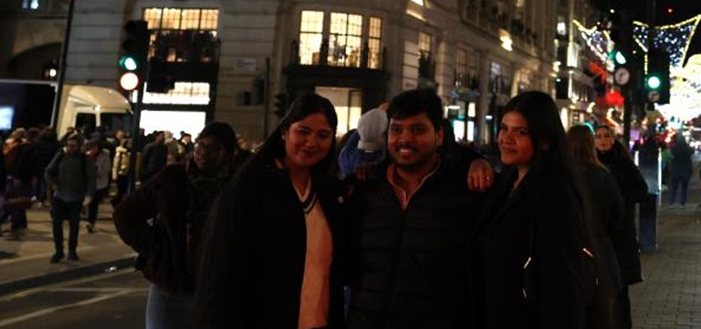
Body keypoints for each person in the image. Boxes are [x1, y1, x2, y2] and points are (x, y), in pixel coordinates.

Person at [344, 89, 492, 329]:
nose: (405, 138)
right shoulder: (365, 189)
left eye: (418, 129)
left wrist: (476, 160)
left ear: (439, 136)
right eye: (397, 129)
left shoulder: (465, 194)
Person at [196, 94, 345, 329]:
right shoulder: (249, 189)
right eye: (303, 131)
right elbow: (221, 274)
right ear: (285, 131)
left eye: (323, 135)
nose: (312, 142)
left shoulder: (328, 195)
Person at [474, 91, 612, 329]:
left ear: (544, 141)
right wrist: (474, 162)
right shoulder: (507, 184)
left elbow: (561, 288)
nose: (506, 139)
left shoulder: (553, 196)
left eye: (520, 132)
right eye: (504, 128)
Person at [115, 122, 239, 329]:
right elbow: (125, 214)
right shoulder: (174, 178)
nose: (202, 153)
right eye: (200, 145)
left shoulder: (236, 186)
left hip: (216, 290)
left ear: (226, 153)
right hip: (172, 287)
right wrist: (158, 247)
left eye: (212, 147)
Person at [566, 126, 625, 328]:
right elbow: (618, 217)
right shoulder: (602, 176)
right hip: (598, 253)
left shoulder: (558, 175)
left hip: (565, 254)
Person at [594, 125, 646, 328]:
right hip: (601, 233)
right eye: (598, 137)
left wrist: (620, 202)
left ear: (613, 140)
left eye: (606, 136)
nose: (603, 140)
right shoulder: (591, 165)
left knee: (620, 288)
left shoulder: (623, 164)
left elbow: (641, 190)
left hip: (621, 234)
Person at [44, 134, 96, 262]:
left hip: (76, 197)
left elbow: (91, 179)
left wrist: (89, 196)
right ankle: (59, 251)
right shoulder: (60, 156)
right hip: (59, 196)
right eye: (68, 145)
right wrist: (52, 183)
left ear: (79, 146)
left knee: (74, 226)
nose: (70, 148)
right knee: (57, 225)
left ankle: (72, 251)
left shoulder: (85, 160)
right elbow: (48, 171)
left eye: (73, 146)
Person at [85, 139, 112, 232]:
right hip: (88, 183)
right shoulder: (87, 155)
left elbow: (106, 169)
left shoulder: (105, 155)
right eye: (92, 147)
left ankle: (90, 222)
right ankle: (88, 218)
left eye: (95, 147)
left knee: (93, 204)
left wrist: (97, 171)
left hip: (99, 183)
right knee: (87, 202)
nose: (93, 149)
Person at [667, 135, 694, 208]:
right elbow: (692, 151)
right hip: (685, 170)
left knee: (673, 188)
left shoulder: (674, 148)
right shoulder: (687, 148)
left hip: (675, 170)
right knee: (684, 188)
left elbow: (671, 155)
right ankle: (683, 203)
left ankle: (672, 203)